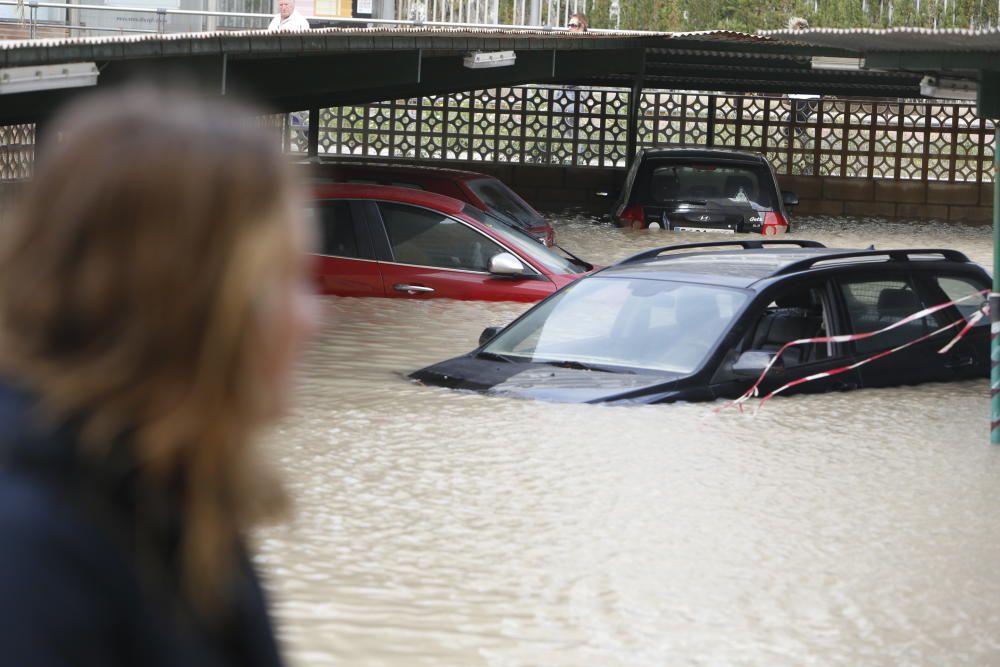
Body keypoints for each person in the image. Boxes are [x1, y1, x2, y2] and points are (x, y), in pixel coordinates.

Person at [0, 86, 317, 666]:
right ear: (182, 299)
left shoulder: (174, 506)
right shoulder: (30, 562)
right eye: (283, 280)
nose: (312, 318)